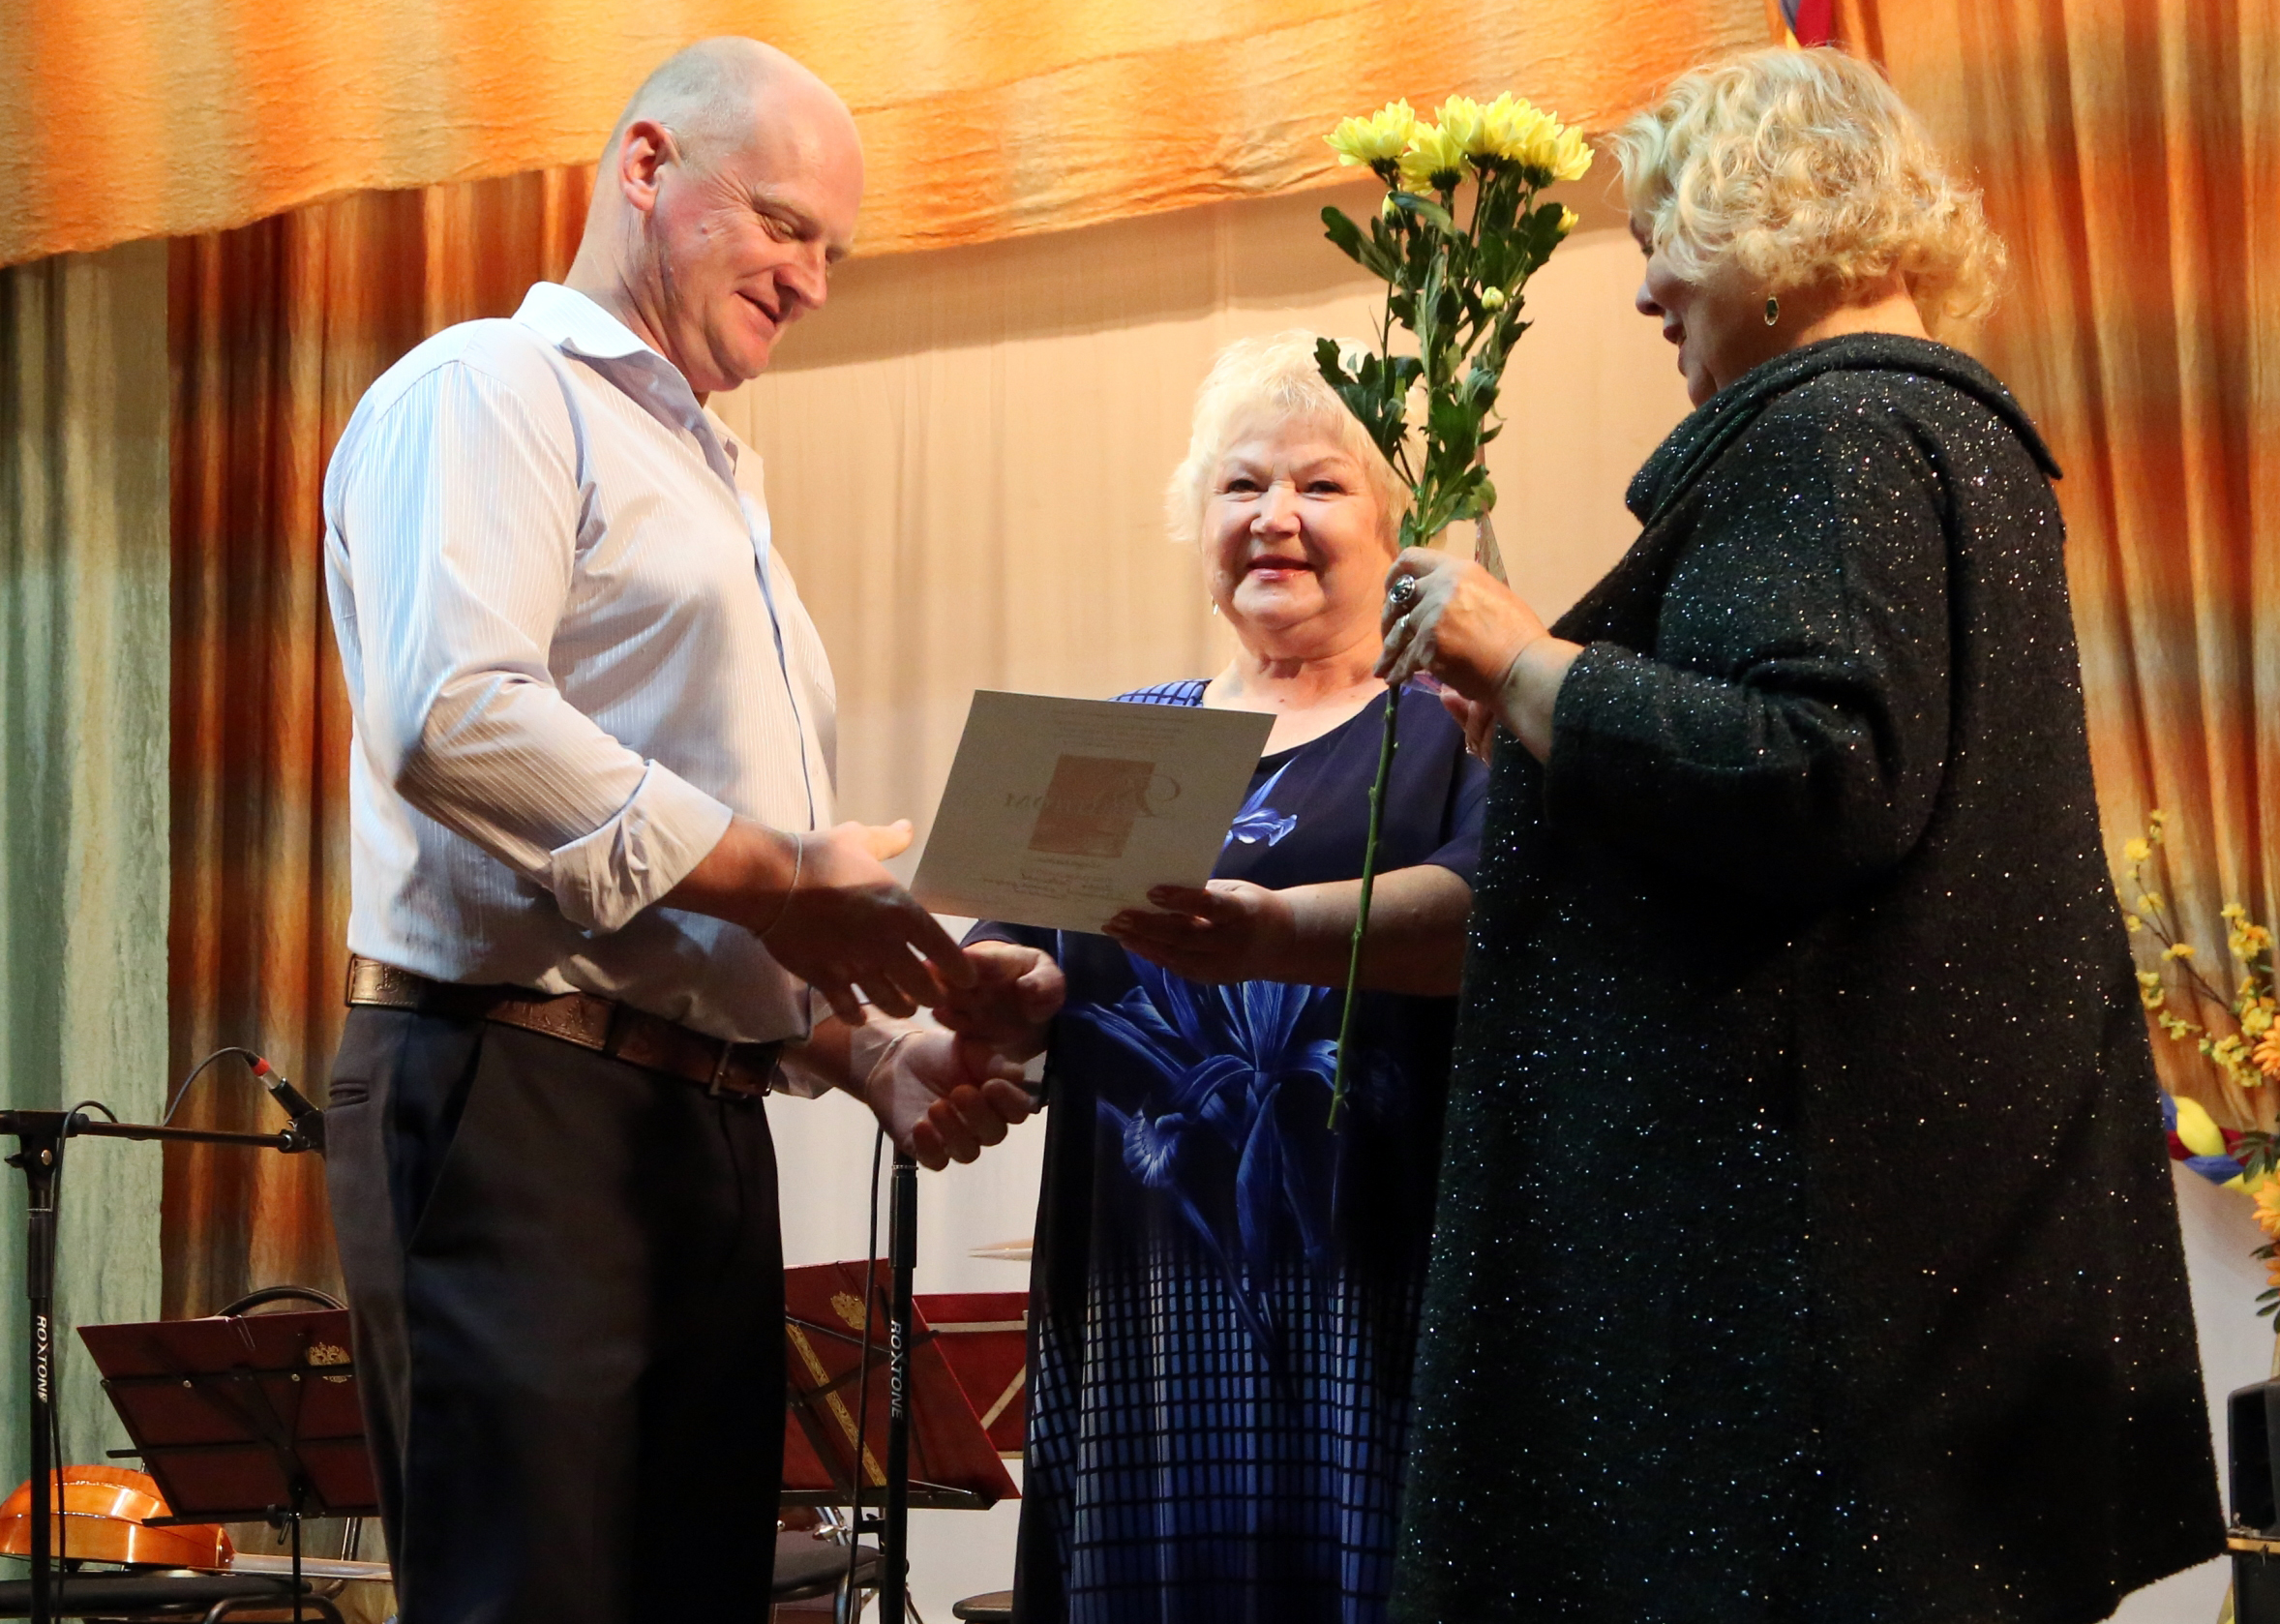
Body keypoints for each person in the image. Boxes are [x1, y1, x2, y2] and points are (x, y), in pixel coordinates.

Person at [1379, 47, 2223, 1624]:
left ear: (1761, 217)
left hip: (1807, 1314)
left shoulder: (1829, 433)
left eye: (1659, 240)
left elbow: (1818, 774)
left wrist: (1526, 661)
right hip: (1912, 1284)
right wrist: (1561, 735)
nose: (1645, 294)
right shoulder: (1948, 434)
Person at [319, 39, 1034, 1624]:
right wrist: (782, 876)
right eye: (783, 224)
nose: (812, 281)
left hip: (696, 1126)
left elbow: (679, 900)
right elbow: (455, 715)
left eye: (832, 250)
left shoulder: (708, 474)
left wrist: (865, 1051)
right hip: (515, 1097)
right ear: (645, 166)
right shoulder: (486, 390)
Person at [937, 332, 1488, 1624]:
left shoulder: (1447, 727)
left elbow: (1492, 929)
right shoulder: (1119, 737)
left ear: (1393, 528)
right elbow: (1014, 976)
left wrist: (1278, 928)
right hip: (1142, 1314)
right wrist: (995, 1008)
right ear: (1199, 522)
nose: (1274, 517)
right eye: (1241, 485)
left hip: (1370, 1297)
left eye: (1321, 485)